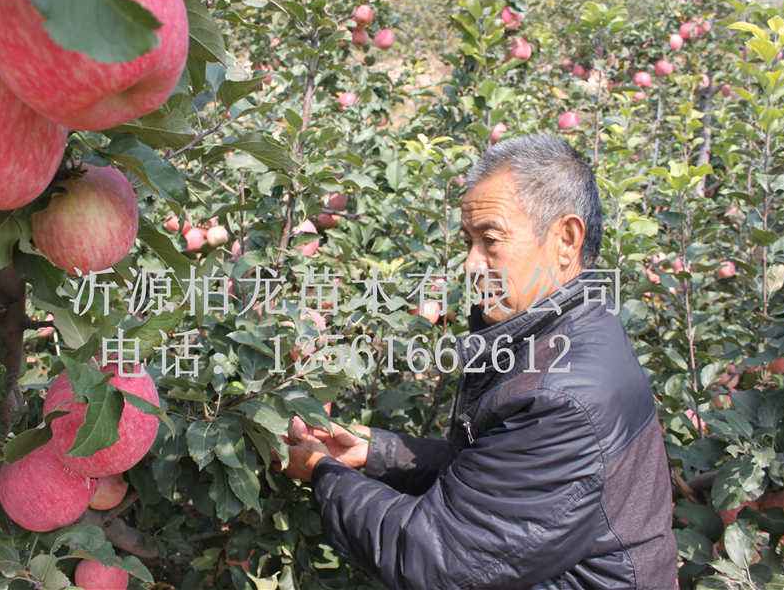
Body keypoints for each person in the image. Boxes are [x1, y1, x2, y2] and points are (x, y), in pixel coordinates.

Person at [278, 134, 677, 589]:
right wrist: (375, 452)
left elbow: (438, 558)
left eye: (490, 239)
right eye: (469, 241)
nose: (470, 264)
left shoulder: (565, 393)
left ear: (566, 239)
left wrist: (321, 472)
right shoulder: (563, 333)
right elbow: (493, 476)